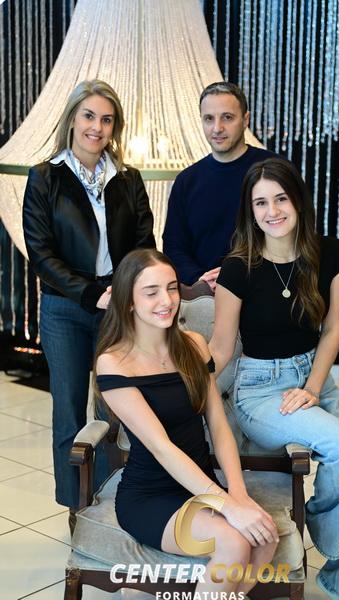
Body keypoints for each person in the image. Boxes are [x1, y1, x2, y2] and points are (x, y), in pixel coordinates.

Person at [209, 158, 339, 600]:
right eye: (260, 203)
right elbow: (220, 347)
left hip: (315, 380)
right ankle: (318, 525)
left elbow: (332, 330)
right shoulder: (237, 268)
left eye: (281, 199)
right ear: (250, 210)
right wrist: (183, 387)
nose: (272, 211)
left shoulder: (330, 253)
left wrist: (312, 387)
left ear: (298, 201)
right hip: (261, 390)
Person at [94, 248, 279, 597]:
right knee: (234, 542)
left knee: (265, 538)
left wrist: (237, 493)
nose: (166, 301)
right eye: (151, 292)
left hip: (199, 483)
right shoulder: (115, 362)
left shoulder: (193, 345)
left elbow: (218, 425)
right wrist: (227, 506)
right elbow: (162, 448)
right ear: (129, 301)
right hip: (150, 495)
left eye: (171, 288)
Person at [22, 79, 155, 528]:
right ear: (72, 118)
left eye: (106, 119)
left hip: (117, 306)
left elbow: (144, 245)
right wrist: (89, 293)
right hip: (65, 307)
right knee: (69, 411)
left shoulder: (128, 179)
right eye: (89, 116)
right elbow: (41, 255)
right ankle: (76, 505)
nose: (96, 127)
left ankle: (113, 499)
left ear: (115, 127)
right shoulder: (45, 177)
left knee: (114, 410)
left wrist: (126, 292)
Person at [163, 81, 276, 290]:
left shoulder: (274, 170)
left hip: (263, 290)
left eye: (227, 117)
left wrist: (235, 278)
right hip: (202, 294)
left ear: (245, 120)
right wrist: (202, 280)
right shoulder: (186, 181)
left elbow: (292, 237)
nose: (217, 128)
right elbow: (174, 247)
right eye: (209, 119)